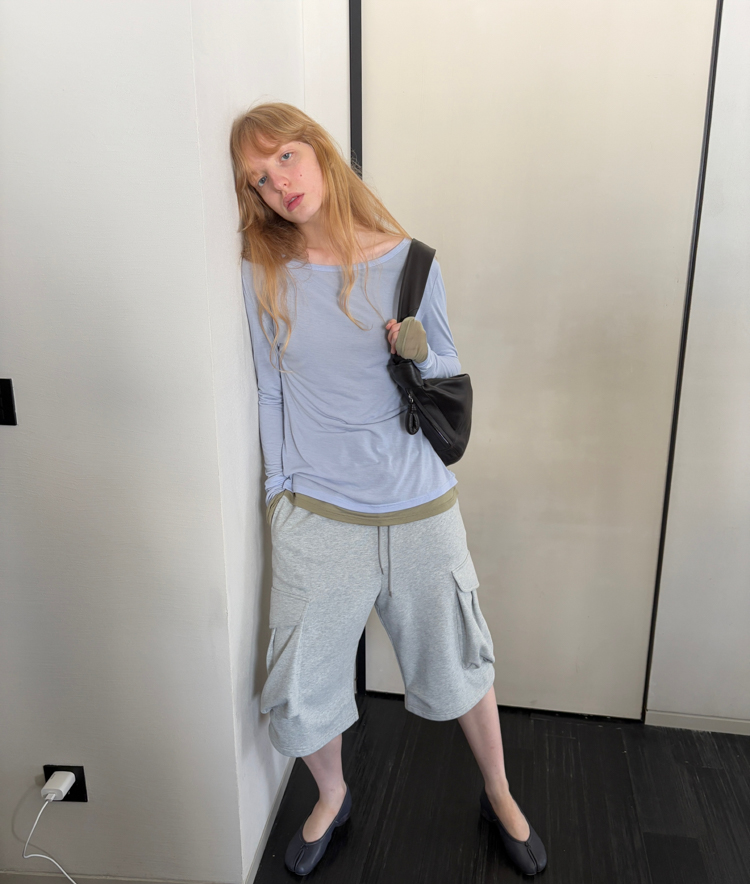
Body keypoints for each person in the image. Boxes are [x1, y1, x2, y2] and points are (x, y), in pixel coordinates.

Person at [230, 102, 547, 877]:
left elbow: (445, 375)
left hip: (419, 504)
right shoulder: (262, 272)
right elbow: (270, 390)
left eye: (285, 158)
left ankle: (499, 791)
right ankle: (332, 795)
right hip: (315, 512)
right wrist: (279, 491)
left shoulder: (412, 263)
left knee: (460, 656)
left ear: (319, 152)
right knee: (302, 680)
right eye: (258, 178)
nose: (278, 183)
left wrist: (414, 347)